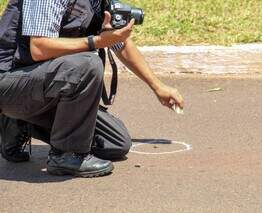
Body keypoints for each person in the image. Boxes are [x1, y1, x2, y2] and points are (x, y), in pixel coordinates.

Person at [0, 0, 184, 178]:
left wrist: (158, 87)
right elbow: (39, 48)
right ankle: (66, 155)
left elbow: (120, 43)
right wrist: (96, 42)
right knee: (86, 64)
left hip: (42, 83)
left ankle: (20, 121)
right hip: (10, 81)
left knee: (115, 143)